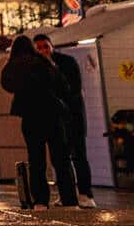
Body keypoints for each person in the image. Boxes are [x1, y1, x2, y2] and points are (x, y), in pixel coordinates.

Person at [0, 35, 78, 208]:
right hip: (52, 115)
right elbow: (61, 85)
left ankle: (41, 201)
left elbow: (6, 84)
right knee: (61, 159)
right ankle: (70, 199)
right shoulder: (42, 62)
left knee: (36, 160)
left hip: (30, 118)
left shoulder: (12, 66)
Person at [33, 35, 92, 204]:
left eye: (45, 46)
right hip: (57, 119)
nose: (43, 50)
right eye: (39, 48)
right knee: (61, 157)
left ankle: (85, 193)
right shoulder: (39, 67)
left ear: (52, 46)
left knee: (78, 154)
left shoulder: (66, 62)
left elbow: (73, 89)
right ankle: (67, 193)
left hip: (73, 116)